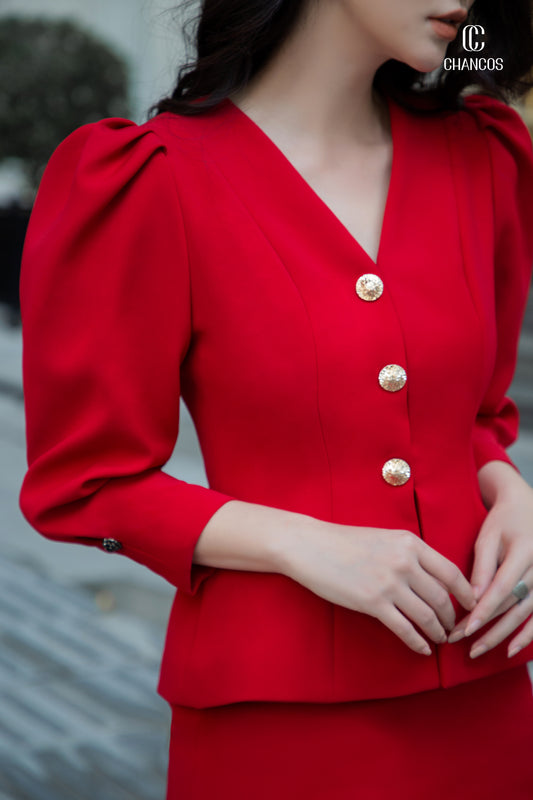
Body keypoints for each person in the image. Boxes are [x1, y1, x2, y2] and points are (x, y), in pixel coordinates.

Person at [18, 0, 533, 797]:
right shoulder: (151, 178)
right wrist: (302, 544)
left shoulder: (483, 155)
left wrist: (510, 491)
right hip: (276, 721)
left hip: (485, 695)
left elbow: (473, 418)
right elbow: (86, 483)